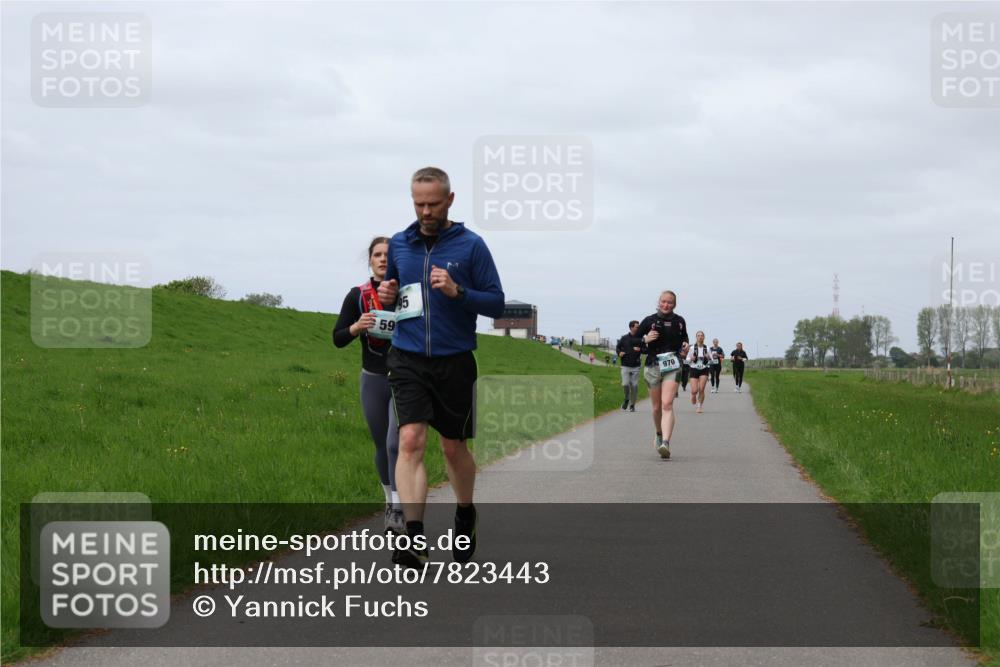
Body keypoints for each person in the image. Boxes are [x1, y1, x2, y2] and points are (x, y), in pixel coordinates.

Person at [377, 167, 505, 569]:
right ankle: (414, 536)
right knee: (411, 439)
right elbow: (393, 297)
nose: (426, 211)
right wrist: (386, 293)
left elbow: (497, 303)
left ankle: (465, 512)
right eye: (419, 204)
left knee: (453, 446)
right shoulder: (400, 244)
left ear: (450, 200)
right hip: (407, 356)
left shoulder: (471, 246)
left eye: (433, 204)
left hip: (455, 359)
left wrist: (458, 291)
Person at [332, 236, 403, 534]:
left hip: (403, 379)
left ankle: (399, 507)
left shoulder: (407, 294)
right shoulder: (356, 296)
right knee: (379, 444)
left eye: (388, 255)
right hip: (372, 378)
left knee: (393, 444)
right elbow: (337, 338)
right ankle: (388, 501)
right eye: (378, 255)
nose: (383, 259)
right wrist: (356, 327)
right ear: (370, 260)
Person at [636, 291, 689, 459]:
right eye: (663, 302)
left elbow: (684, 339)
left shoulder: (679, 321)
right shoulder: (649, 321)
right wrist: (645, 339)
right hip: (653, 365)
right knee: (657, 407)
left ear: (675, 304)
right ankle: (659, 433)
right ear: (658, 302)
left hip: (672, 365)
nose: (666, 305)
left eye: (670, 303)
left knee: (667, 404)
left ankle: (666, 442)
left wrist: (685, 348)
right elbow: (632, 341)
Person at [616, 320, 643, 412]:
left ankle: (632, 405)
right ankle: (626, 399)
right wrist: (619, 352)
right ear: (631, 327)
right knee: (625, 384)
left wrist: (640, 349)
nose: (638, 328)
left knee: (634, 386)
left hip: (636, 366)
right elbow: (618, 347)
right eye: (637, 327)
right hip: (625, 365)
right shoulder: (624, 338)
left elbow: (645, 349)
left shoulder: (640, 338)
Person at [686, 331, 711, 414]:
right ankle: (693, 395)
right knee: (694, 390)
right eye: (698, 336)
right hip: (694, 368)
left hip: (704, 369)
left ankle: (699, 406)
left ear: (704, 337)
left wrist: (708, 358)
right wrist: (691, 359)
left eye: (702, 336)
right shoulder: (692, 348)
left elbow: (712, 361)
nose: (700, 337)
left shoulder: (707, 348)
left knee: (701, 389)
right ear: (696, 337)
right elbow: (687, 360)